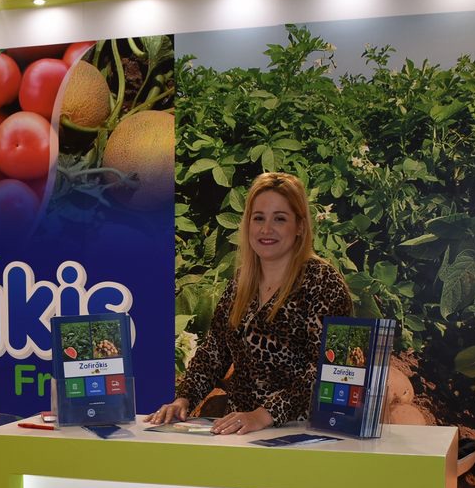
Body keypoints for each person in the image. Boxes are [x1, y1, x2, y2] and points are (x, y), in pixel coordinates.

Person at [148, 172, 352, 435]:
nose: (266, 229)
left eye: (280, 218)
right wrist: (183, 399)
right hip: (239, 432)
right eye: (258, 218)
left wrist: (264, 415)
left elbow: (328, 369)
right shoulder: (241, 282)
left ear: (300, 226)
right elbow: (214, 351)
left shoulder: (323, 282)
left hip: (302, 433)